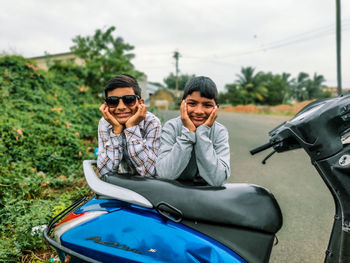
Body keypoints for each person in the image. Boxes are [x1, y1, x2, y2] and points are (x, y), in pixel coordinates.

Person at [156, 76, 230, 186]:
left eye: (207, 105)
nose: (199, 111)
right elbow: (165, 174)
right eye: (192, 103)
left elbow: (218, 180)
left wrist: (202, 133)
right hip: (175, 193)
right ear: (183, 105)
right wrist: (189, 132)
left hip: (206, 194)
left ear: (216, 108)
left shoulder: (220, 132)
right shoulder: (171, 127)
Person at [97, 74, 161, 177]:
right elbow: (105, 172)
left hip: (150, 186)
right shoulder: (106, 123)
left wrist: (131, 127)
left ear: (140, 103)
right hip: (124, 185)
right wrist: (116, 130)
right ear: (106, 105)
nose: (121, 107)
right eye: (113, 101)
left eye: (129, 100)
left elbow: (151, 172)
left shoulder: (152, 122)